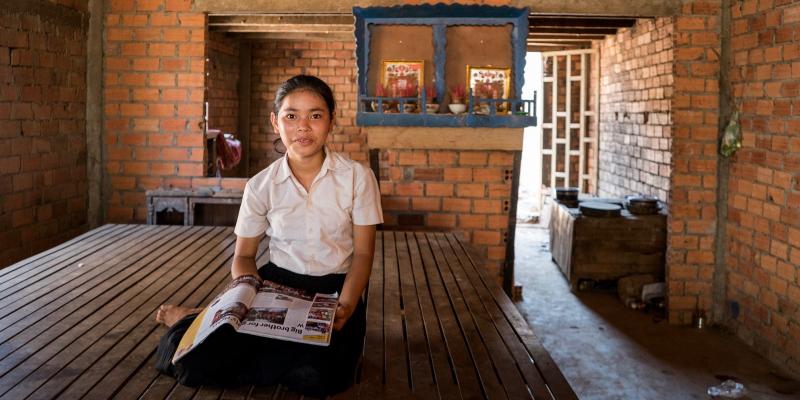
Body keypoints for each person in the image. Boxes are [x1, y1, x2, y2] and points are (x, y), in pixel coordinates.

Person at [153, 75, 383, 396]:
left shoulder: (358, 178)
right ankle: (194, 318)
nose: (303, 127)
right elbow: (244, 256)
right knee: (195, 361)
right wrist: (248, 298)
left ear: (331, 121)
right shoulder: (260, 185)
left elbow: (363, 254)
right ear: (275, 122)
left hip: (333, 291)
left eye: (315, 115)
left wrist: (345, 305)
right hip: (274, 288)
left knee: (317, 377)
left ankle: (202, 314)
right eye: (291, 116)